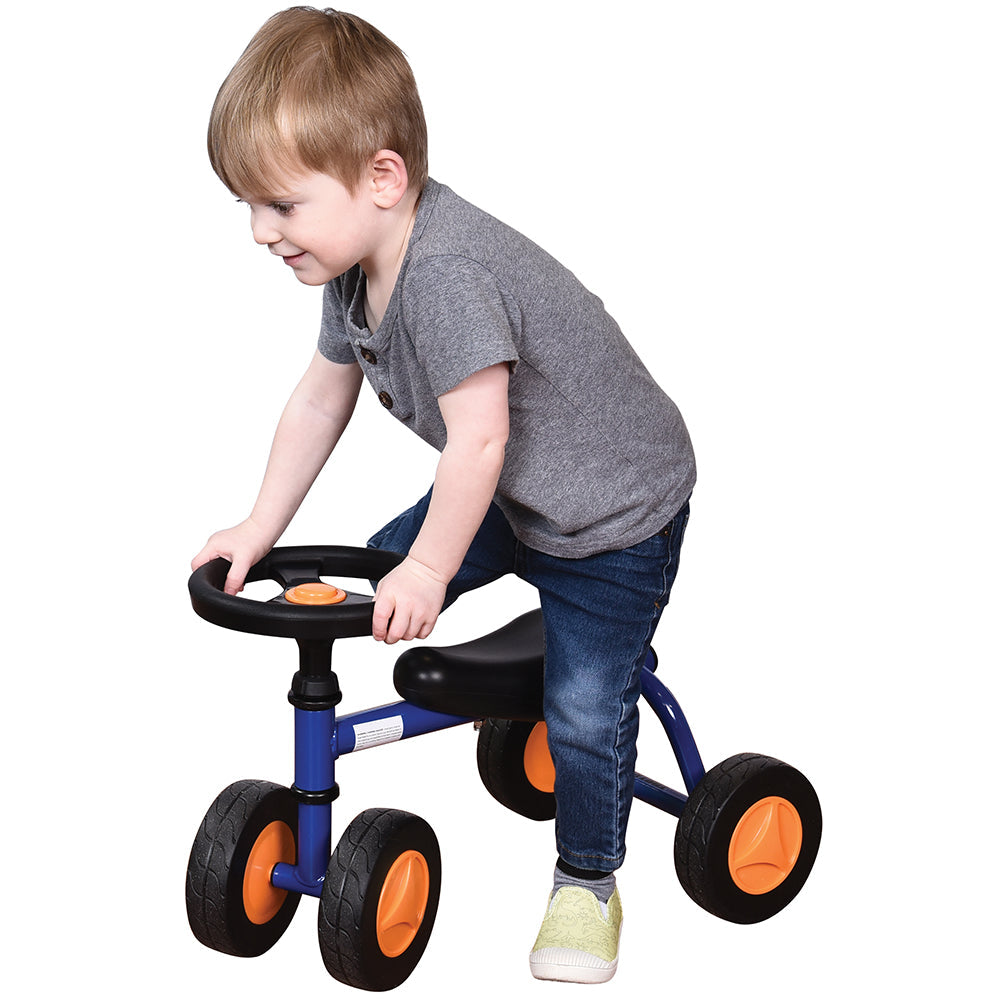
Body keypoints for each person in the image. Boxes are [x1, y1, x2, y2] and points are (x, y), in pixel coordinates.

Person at [191, 7, 696, 985]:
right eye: (248, 206)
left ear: (381, 179)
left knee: (588, 705)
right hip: (509, 493)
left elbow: (481, 436)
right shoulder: (351, 267)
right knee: (357, 588)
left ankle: (587, 882)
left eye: (281, 205)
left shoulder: (449, 273)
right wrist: (261, 526)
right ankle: (347, 751)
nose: (260, 232)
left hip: (607, 512)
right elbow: (318, 400)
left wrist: (430, 568)